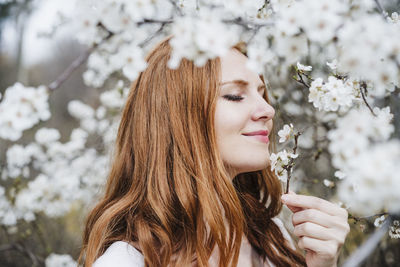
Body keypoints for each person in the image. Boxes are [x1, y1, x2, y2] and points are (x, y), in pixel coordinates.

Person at [79, 36, 350, 267]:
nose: (268, 110)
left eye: (261, 93)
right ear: (177, 117)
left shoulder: (271, 238)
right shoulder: (127, 261)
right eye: (235, 96)